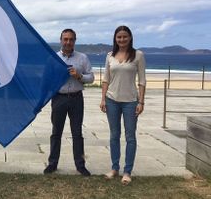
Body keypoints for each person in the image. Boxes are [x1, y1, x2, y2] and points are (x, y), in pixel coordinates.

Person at [44, 29, 94, 176]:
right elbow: (47, 78)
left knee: (77, 133)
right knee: (56, 133)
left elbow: (91, 78)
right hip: (59, 98)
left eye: (71, 39)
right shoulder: (53, 58)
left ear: (75, 41)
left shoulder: (82, 58)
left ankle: (80, 165)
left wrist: (79, 76)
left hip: (76, 98)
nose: (68, 42)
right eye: (65, 39)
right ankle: (52, 164)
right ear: (60, 40)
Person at [100, 25, 146, 185]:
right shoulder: (110, 55)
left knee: (130, 136)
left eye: (125, 36)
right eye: (119, 37)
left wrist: (141, 101)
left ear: (130, 37)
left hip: (131, 102)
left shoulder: (138, 55)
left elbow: (142, 81)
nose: (122, 39)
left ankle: (127, 171)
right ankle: (114, 168)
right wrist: (103, 99)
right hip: (112, 100)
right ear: (115, 39)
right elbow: (105, 78)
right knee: (114, 135)